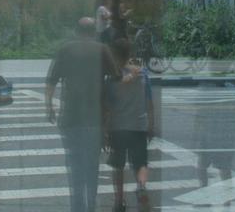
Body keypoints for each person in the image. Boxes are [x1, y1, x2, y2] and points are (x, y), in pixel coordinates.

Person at [45, 17, 121, 212]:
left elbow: (51, 81)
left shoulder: (65, 49)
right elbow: (117, 78)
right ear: (93, 32)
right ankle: (91, 206)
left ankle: (77, 207)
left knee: (75, 165)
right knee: (92, 165)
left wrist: (48, 106)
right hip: (94, 119)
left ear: (75, 31)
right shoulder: (102, 49)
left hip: (70, 117)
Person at [105, 38, 154, 212]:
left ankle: (119, 201)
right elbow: (149, 103)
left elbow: (109, 108)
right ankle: (141, 186)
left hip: (118, 128)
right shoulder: (143, 74)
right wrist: (151, 125)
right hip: (139, 126)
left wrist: (106, 131)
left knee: (118, 166)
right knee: (140, 163)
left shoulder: (112, 79)